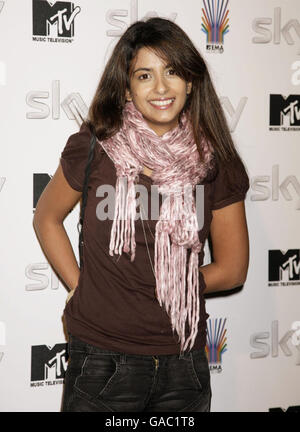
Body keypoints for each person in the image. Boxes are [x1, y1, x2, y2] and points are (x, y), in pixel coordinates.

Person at [33, 18, 249, 412]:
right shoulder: (94, 147)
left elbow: (233, 269)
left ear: (191, 81)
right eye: (145, 75)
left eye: (172, 71)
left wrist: (173, 282)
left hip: (184, 366)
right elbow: (46, 218)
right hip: (101, 361)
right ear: (127, 88)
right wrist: (81, 286)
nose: (161, 87)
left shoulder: (216, 162)